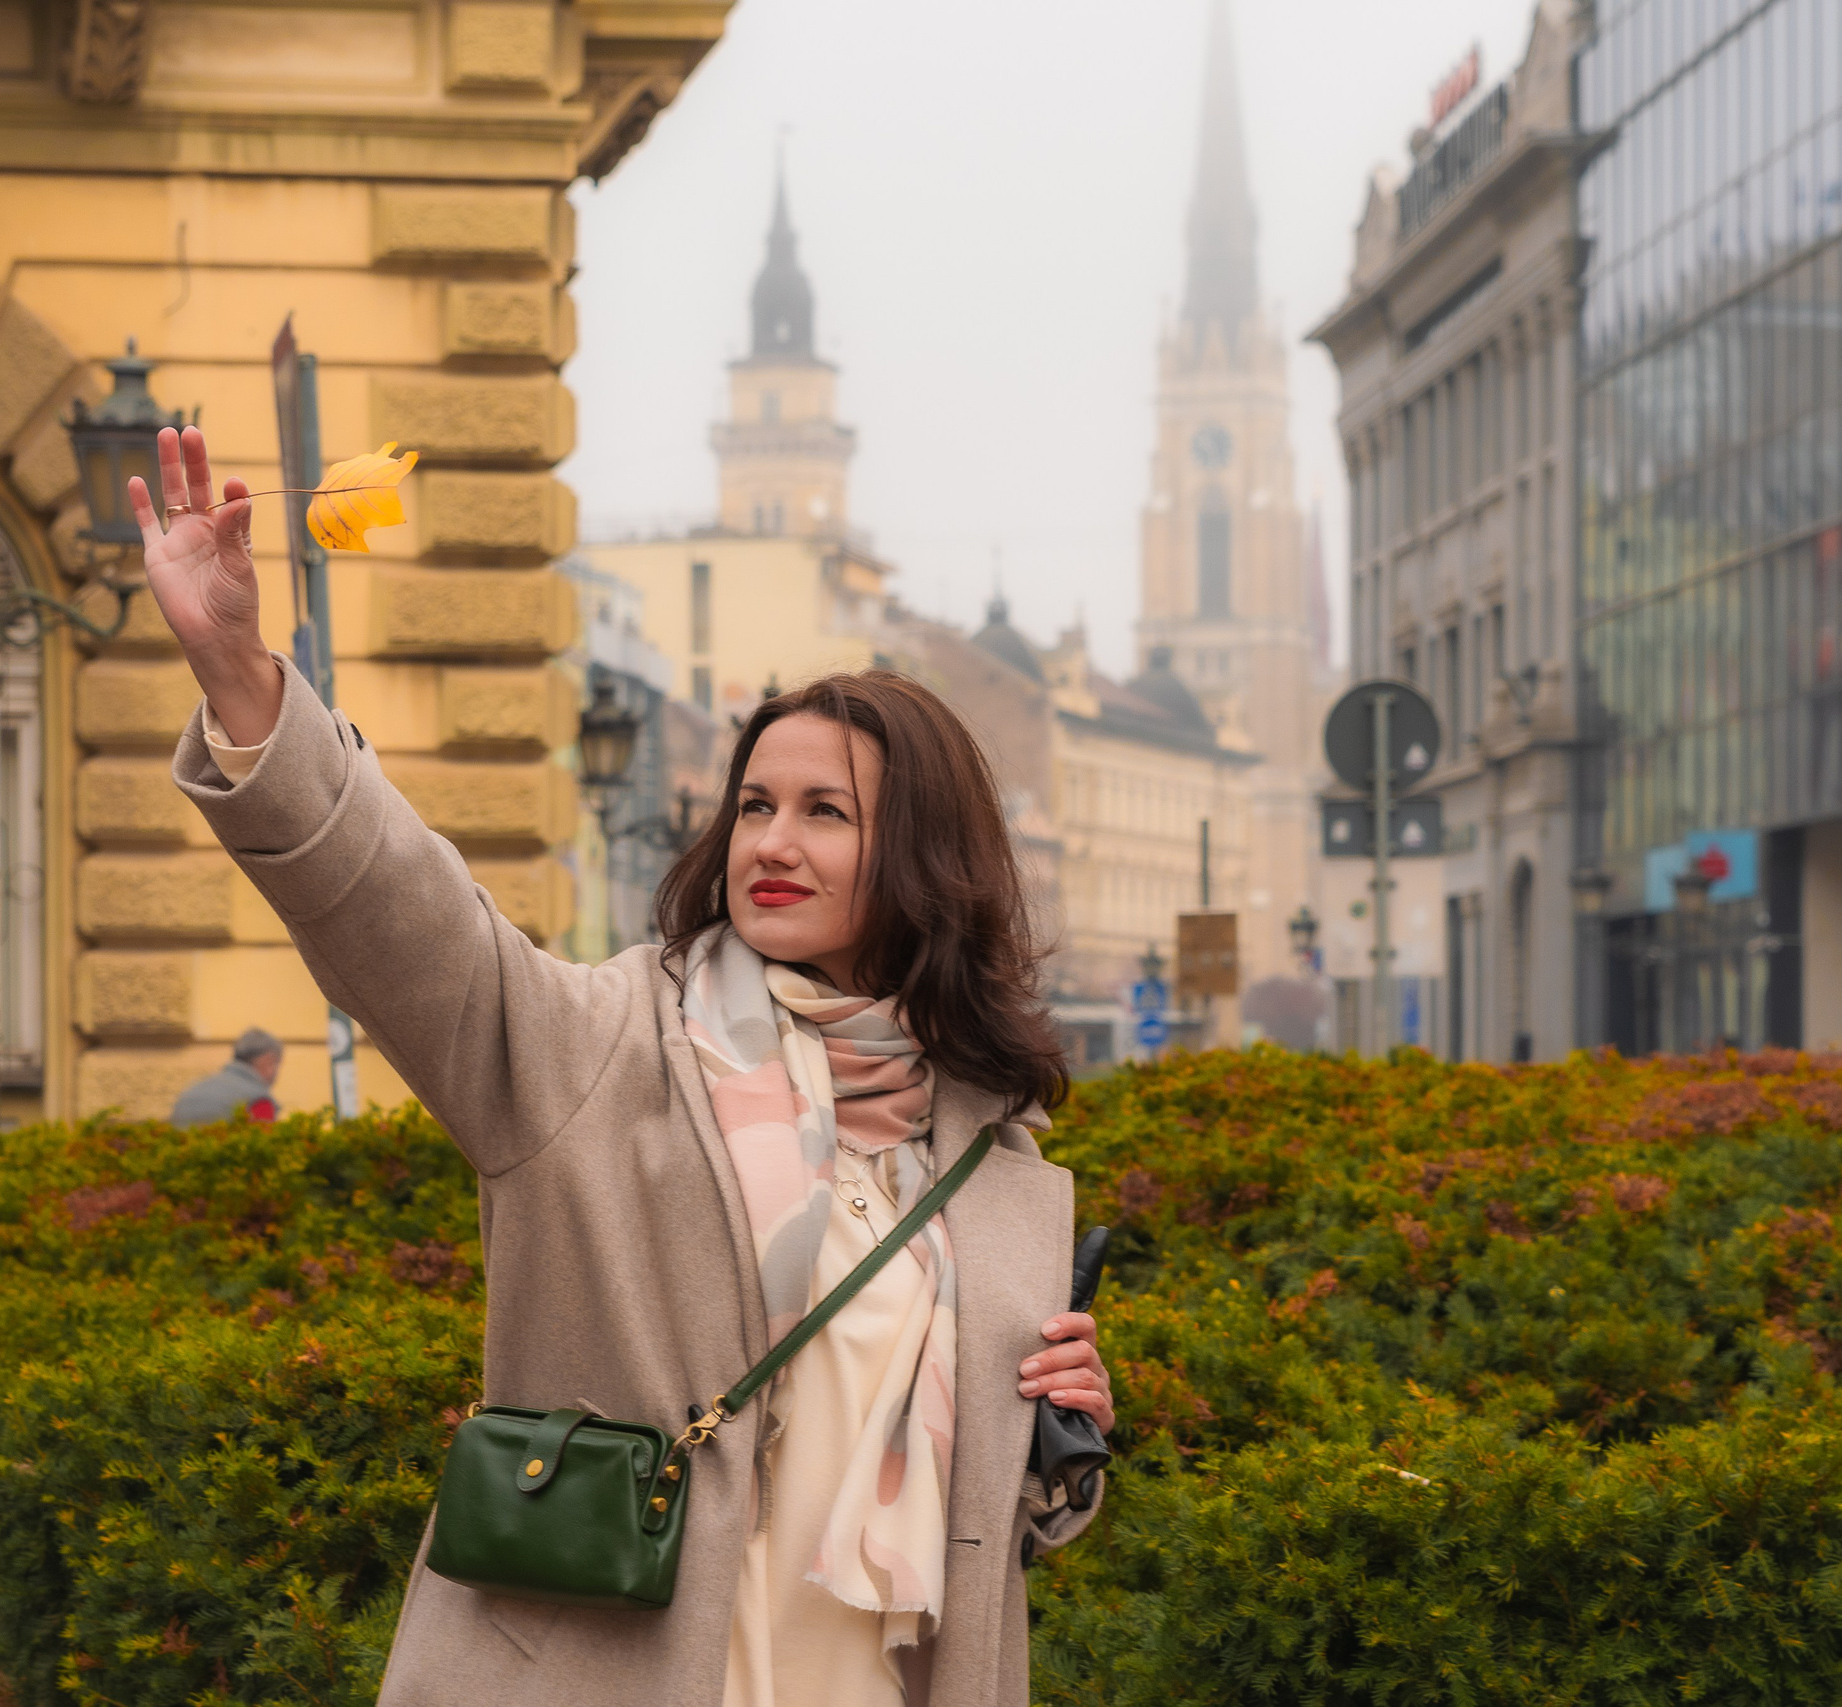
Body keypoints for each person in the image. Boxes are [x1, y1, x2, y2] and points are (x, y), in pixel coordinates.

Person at [136, 426, 1112, 1707]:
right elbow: (406, 923)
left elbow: (990, 1534)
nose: (773, 841)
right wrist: (245, 680)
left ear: (926, 859)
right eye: (756, 804)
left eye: (827, 814)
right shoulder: (607, 1048)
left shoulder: (992, 1161)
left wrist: (1058, 1440)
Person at [169, 1027, 282, 1127]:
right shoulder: (258, 1099)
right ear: (267, 1061)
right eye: (277, 1064)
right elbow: (263, 1144)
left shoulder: (193, 1090)